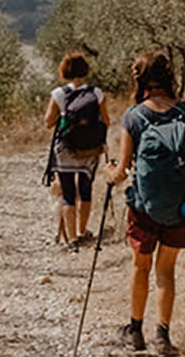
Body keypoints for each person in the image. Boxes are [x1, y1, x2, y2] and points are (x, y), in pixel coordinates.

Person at [104, 50, 185, 357]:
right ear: (168, 76)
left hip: (143, 205)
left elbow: (122, 172)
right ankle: (162, 336)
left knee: (141, 266)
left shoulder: (133, 116)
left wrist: (110, 173)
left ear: (140, 80)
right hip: (181, 205)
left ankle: (135, 331)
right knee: (166, 270)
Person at [45, 52, 107, 247]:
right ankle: (82, 231)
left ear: (64, 71)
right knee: (85, 190)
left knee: (68, 192)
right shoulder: (97, 93)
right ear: (85, 70)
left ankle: (71, 239)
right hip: (91, 149)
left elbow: (48, 122)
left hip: (66, 149)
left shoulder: (59, 94)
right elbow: (106, 121)